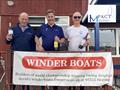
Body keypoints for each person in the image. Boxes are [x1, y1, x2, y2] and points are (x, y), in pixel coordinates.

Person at [6, 12, 36, 90]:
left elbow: (35, 43)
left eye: (26, 19)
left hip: (27, 59)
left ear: (28, 20)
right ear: (19, 19)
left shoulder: (32, 30)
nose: (24, 21)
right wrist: (8, 38)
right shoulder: (12, 29)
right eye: (22, 19)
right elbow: (7, 41)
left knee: (26, 78)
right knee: (14, 77)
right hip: (16, 58)